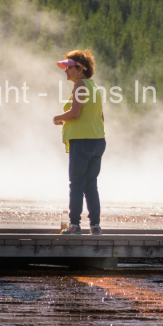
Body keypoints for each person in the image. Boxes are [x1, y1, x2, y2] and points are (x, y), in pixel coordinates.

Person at [53, 50, 105, 235]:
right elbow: (100, 117)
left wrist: (58, 117)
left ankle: (74, 225)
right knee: (91, 185)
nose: (65, 71)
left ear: (80, 69)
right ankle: (95, 226)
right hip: (98, 141)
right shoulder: (94, 87)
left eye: (69, 67)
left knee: (76, 184)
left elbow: (75, 113)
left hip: (82, 142)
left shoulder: (80, 85)